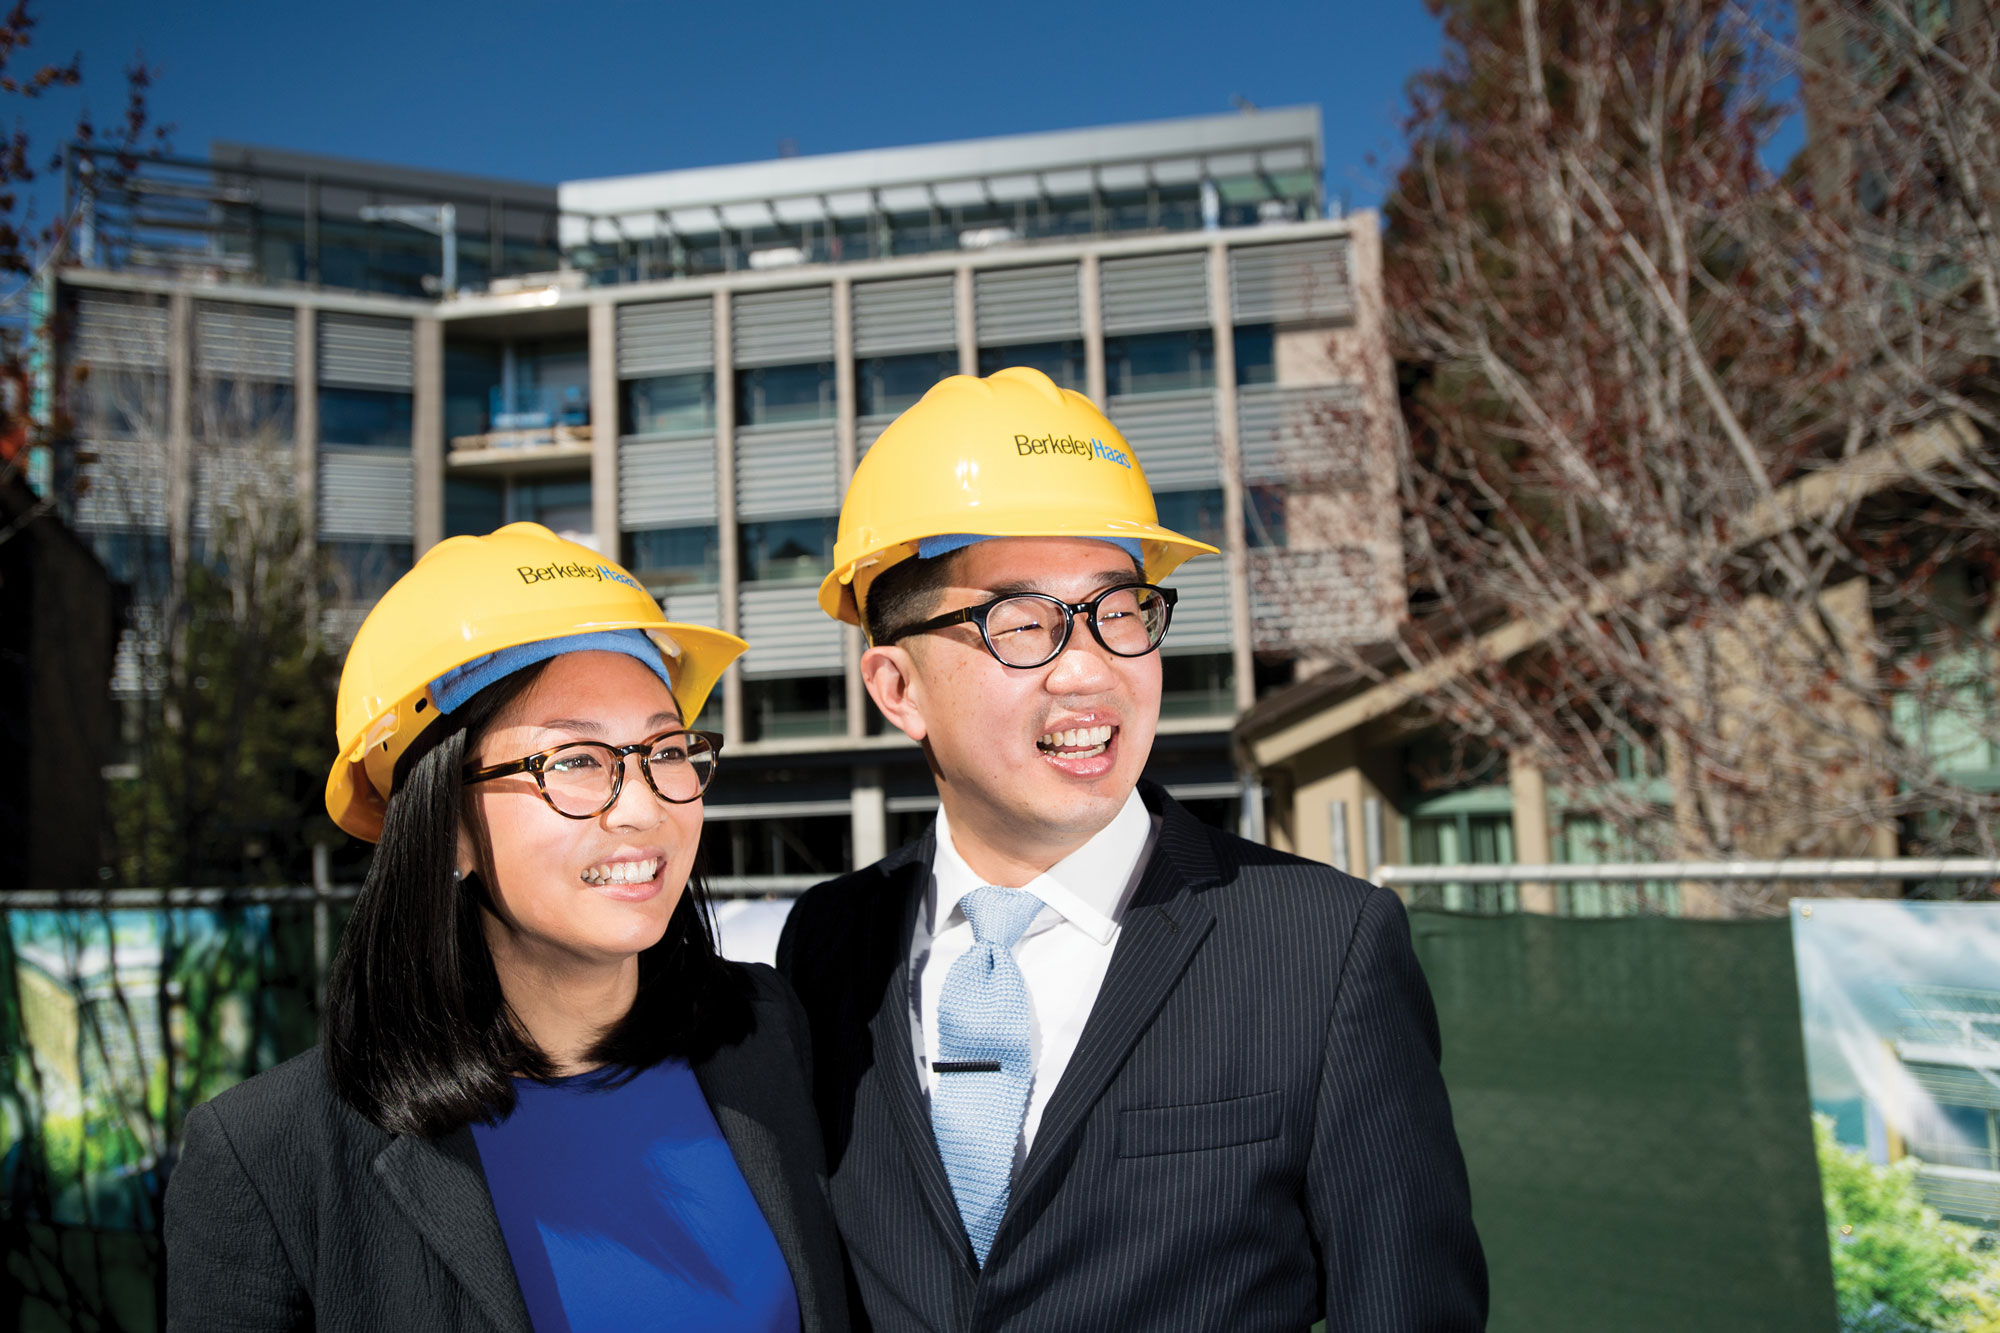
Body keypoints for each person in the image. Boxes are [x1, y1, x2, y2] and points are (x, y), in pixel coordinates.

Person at [776, 368, 1488, 1332]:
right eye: (1020, 623)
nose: (1089, 667)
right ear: (897, 688)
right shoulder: (829, 945)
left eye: (1121, 611)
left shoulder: (1323, 946)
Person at [165, 522, 849, 1333]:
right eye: (574, 761)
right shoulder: (269, 1156)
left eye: (664, 748)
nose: (643, 807)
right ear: (446, 826)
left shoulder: (767, 1033)